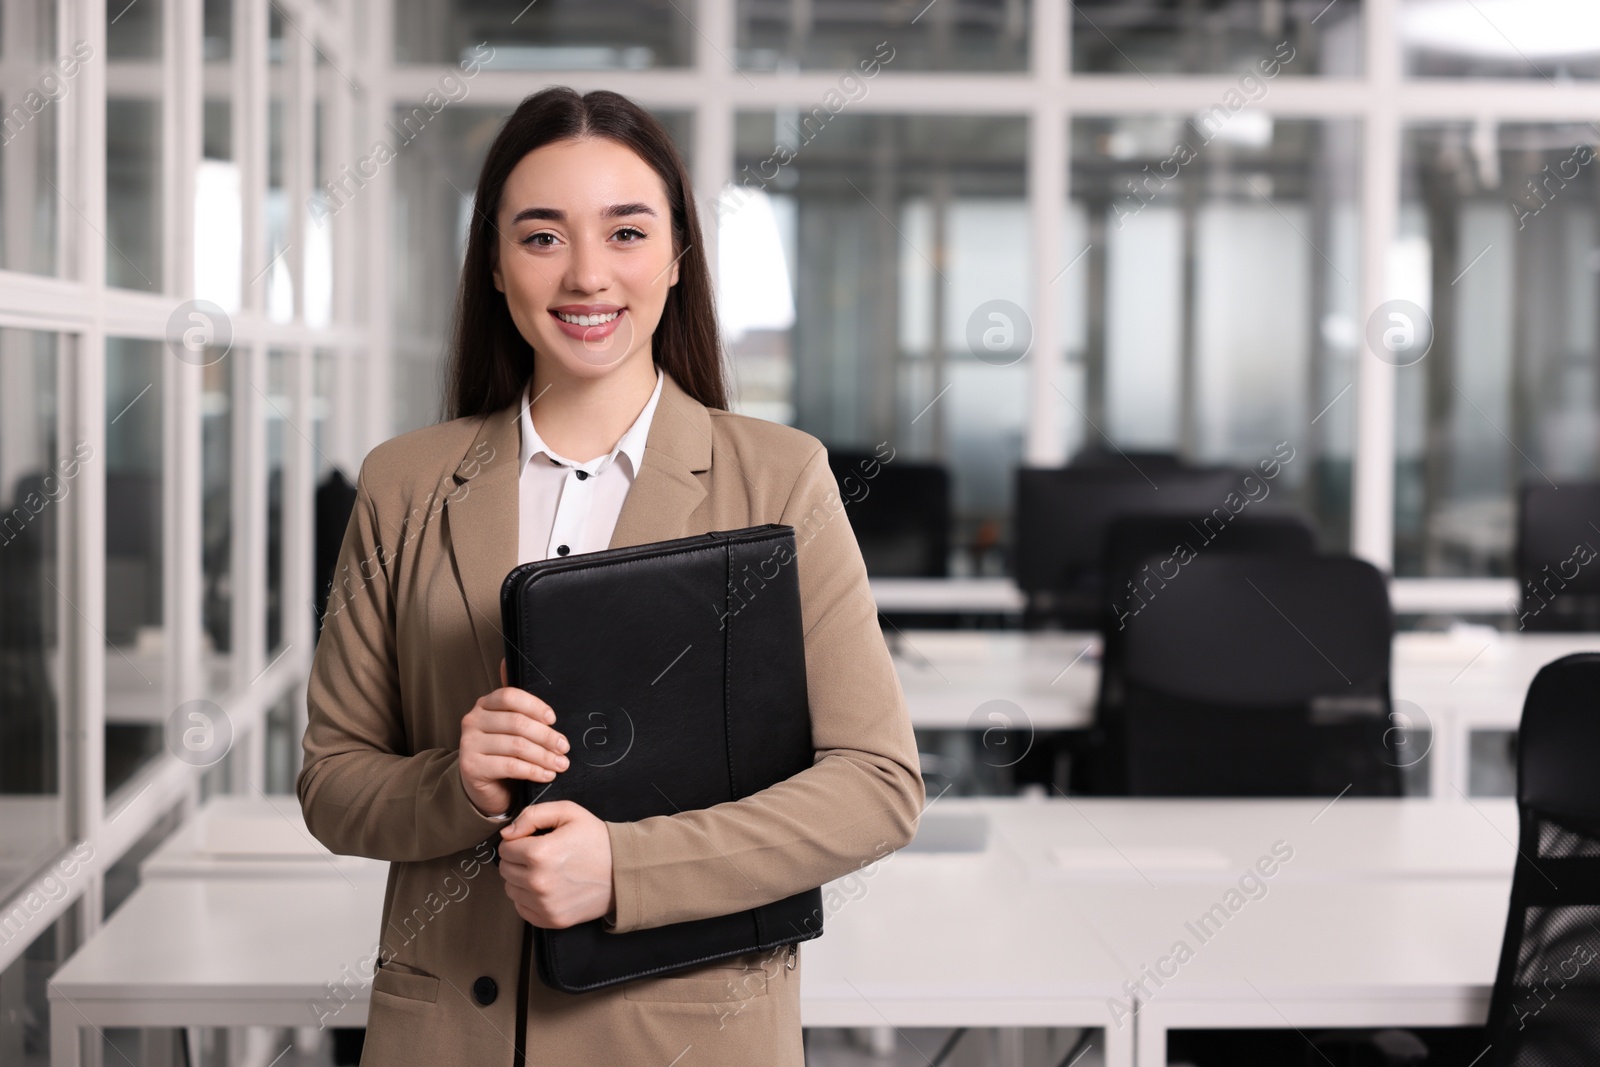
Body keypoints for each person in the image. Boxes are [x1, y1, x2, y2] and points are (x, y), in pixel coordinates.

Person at [297, 86, 924, 1066]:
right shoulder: (403, 482)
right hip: (446, 1036)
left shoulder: (778, 477)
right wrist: (456, 784)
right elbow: (333, 782)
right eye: (541, 237)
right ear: (496, 267)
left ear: (676, 257)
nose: (587, 274)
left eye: (625, 232)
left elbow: (875, 784)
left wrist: (625, 866)